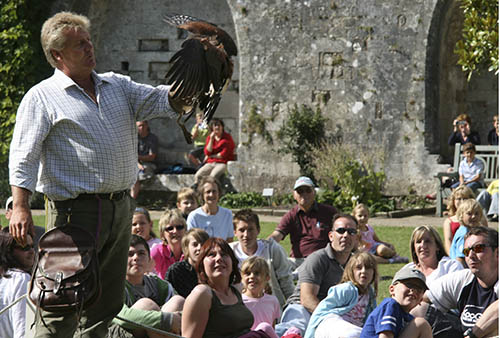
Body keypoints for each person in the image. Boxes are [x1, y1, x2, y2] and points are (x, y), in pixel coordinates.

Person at [8, 12, 178, 337]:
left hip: (120, 208)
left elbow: (163, 100)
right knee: (58, 305)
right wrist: (20, 205)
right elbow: (23, 155)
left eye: (88, 41)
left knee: (104, 307)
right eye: (79, 45)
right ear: (58, 55)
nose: (89, 48)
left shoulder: (118, 85)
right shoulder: (42, 97)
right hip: (73, 215)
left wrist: (196, 80)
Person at [275, 214, 358, 336]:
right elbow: (307, 298)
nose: (346, 235)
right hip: (302, 307)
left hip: (334, 312)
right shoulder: (318, 259)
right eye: (341, 231)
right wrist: (328, 317)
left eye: (351, 232)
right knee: (295, 329)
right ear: (331, 236)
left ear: (356, 237)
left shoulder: (356, 264)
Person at [411, 227, 499, 338]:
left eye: (478, 248)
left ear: (497, 253)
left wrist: (472, 335)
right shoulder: (464, 279)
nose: (470, 255)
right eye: (466, 251)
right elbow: (424, 299)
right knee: (420, 309)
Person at [181, 237, 273, 338]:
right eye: (211, 254)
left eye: (224, 254)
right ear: (202, 265)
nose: (219, 258)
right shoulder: (202, 294)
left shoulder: (235, 291)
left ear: (232, 263)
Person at [108, 235, 184, 338]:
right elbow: (121, 316)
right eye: (130, 254)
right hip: (119, 333)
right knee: (146, 305)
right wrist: (166, 319)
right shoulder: (115, 286)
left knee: (177, 301)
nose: (136, 258)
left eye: (141, 253)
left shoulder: (157, 284)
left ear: (149, 260)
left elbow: (183, 309)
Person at [230, 209, 295, 307]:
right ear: (235, 232)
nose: (246, 235)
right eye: (242, 230)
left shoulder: (272, 249)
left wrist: (294, 307)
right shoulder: (230, 252)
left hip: (270, 307)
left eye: (250, 229)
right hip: (239, 308)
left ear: (258, 230)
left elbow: (286, 282)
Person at [268, 176, 338, 268]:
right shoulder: (291, 215)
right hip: (298, 261)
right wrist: (261, 246)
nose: (304, 194)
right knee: (270, 265)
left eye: (308, 190)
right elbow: (276, 235)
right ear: (294, 195)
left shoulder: (329, 212)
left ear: (314, 192)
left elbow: (343, 229)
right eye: (300, 191)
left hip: (323, 259)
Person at [305, 251, 378, 338]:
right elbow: (322, 310)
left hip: (353, 328)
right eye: (358, 268)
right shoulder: (345, 289)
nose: (363, 271)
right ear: (351, 271)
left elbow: (373, 316)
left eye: (368, 268)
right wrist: (309, 334)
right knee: (353, 334)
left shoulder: (370, 293)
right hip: (330, 325)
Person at [360, 266, 432, 338]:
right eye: (409, 285)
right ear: (392, 289)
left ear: (421, 299)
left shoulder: (409, 319)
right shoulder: (390, 305)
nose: (413, 290)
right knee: (421, 324)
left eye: (419, 289)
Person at [0, 229, 35, 338]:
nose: (32, 252)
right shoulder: (21, 279)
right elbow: (22, 330)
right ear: (8, 251)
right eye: (24, 248)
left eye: (32, 246)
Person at [241, 256, 281, 334]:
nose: (251, 276)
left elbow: (272, 329)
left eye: (257, 273)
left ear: (267, 278)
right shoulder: (239, 302)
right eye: (248, 273)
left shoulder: (272, 301)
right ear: (241, 277)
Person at [187, 176, 234, 242]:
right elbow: (192, 242)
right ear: (202, 195)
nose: (211, 195)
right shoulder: (194, 216)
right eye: (208, 192)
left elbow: (229, 241)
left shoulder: (227, 214)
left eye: (214, 191)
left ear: (219, 193)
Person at [166, 228, 209, 298]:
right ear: (186, 248)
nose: (199, 248)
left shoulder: (212, 268)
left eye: (203, 245)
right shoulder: (176, 271)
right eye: (195, 244)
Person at [193, 118, 235, 186]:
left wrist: (211, 156)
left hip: (223, 163)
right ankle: (198, 193)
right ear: (212, 127)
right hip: (210, 163)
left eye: (219, 125)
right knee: (198, 176)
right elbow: (207, 152)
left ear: (222, 127)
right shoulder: (210, 138)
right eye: (215, 125)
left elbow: (223, 154)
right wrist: (211, 139)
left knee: (213, 176)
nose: (217, 127)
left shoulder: (227, 138)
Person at [449, 199, 486, 266]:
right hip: (459, 268)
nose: (473, 216)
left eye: (476, 213)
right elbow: (460, 258)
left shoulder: (472, 231)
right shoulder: (463, 234)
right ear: (461, 215)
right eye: (469, 213)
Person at [151, 209, 186, 279]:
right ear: (162, 234)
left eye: (179, 227)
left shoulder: (191, 251)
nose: (175, 231)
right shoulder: (157, 252)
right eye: (170, 228)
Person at [442, 186, 477, 255]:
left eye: (465, 198)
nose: (462, 201)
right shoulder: (449, 221)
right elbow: (448, 242)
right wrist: (453, 259)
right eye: (458, 199)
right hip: (456, 255)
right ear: (453, 201)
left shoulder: (478, 219)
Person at [131, 120, 159, 199]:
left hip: (149, 164)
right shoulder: (135, 138)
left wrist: (138, 158)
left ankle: (132, 200)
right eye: (139, 126)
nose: (141, 128)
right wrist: (138, 164)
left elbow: (152, 157)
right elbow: (131, 155)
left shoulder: (152, 138)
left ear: (147, 126)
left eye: (143, 125)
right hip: (136, 164)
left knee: (136, 177)